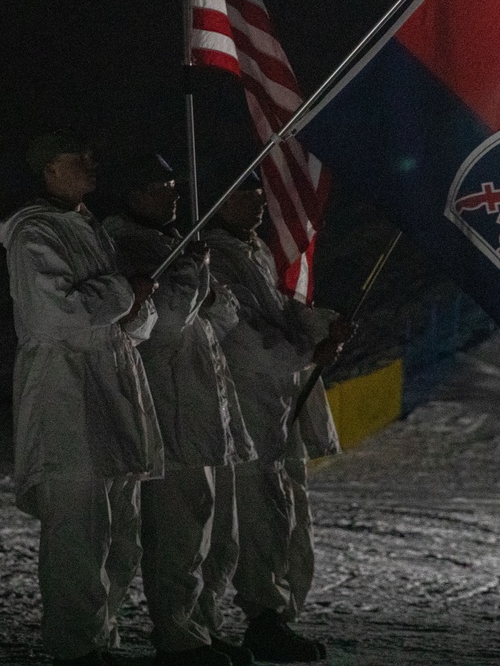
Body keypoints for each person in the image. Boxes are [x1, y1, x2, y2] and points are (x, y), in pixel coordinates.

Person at [0, 130, 165, 665]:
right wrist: (125, 296)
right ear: (48, 168)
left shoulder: (86, 227)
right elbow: (55, 313)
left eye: (93, 154)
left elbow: (128, 321)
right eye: (78, 157)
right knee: (78, 535)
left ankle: (101, 639)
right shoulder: (34, 234)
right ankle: (74, 647)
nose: (91, 164)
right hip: (67, 394)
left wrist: (137, 307)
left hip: (109, 386)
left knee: (119, 534)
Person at [103, 151, 257, 666]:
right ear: (132, 195)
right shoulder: (126, 244)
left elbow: (224, 315)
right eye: (159, 184)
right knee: (175, 531)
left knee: (211, 528)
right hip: (167, 406)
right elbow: (167, 319)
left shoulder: (174, 245)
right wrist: (193, 270)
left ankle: (201, 625)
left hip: (201, 402)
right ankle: (176, 633)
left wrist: (199, 278)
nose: (172, 193)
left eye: (173, 184)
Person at [204, 182, 350, 664]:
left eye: (260, 194)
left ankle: (273, 613)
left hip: (278, 400)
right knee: (254, 514)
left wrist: (322, 326)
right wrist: (308, 351)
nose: (259, 202)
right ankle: (247, 617)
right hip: (246, 401)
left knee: (285, 508)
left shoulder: (256, 251)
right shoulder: (211, 257)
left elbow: (280, 312)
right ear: (220, 200)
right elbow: (245, 341)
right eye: (246, 194)